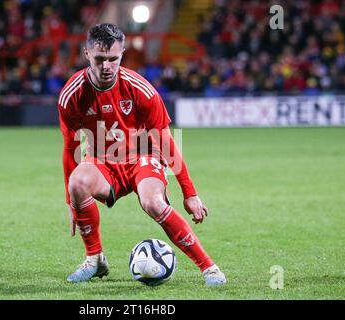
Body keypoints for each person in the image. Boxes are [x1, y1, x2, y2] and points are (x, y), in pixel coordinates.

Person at [58, 23, 226, 286]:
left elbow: (166, 142)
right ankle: (95, 260)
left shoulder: (140, 89)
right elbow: (70, 148)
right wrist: (72, 202)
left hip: (143, 157)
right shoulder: (73, 95)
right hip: (103, 162)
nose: (106, 67)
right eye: (100, 59)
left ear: (122, 54)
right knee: (77, 183)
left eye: (113, 59)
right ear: (86, 54)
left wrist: (190, 193)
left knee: (153, 202)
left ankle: (209, 268)